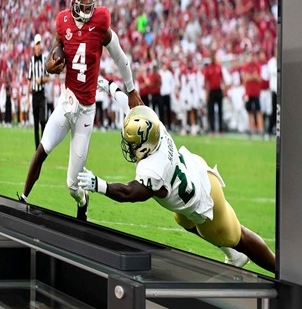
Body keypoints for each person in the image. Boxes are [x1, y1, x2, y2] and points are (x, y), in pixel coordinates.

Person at [77, 105, 275, 276]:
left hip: (206, 205)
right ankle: (235, 255)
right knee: (181, 218)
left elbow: (130, 193)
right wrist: (115, 89)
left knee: (239, 238)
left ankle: (279, 270)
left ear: (144, 145)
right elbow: (136, 106)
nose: (129, 148)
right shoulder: (157, 129)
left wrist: (98, 185)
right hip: (198, 172)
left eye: (133, 144)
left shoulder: (152, 169)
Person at [19, 0, 141, 220]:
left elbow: (119, 57)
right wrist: (50, 63)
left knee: (73, 185)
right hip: (67, 101)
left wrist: (131, 90)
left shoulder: (101, 21)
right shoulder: (63, 21)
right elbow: (56, 47)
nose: (87, 2)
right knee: (42, 149)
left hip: (86, 111)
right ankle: (23, 199)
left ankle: (82, 201)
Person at [28, 34, 50, 147]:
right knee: (36, 123)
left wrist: (40, 80)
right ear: (34, 46)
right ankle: (37, 148)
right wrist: (27, 98)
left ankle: (43, 145)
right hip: (34, 95)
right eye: (37, 44)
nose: (39, 46)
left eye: (39, 43)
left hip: (41, 94)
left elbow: (48, 78)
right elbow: (29, 79)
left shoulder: (44, 59)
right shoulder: (31, 61)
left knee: (42, 120)